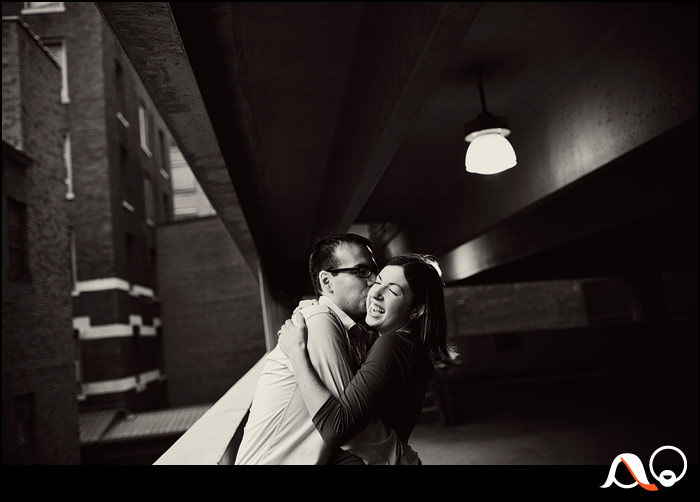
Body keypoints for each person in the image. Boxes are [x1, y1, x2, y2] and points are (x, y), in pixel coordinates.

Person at [234, 234, 415, 464]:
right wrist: (405, 459)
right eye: (361, 271)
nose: (373, 281)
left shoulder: (353, 332)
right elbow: (350, 429)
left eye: (374, 271)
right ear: (327, 282)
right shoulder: (318, 321)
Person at [278, 253, 453, 457]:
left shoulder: (394, 345)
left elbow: (336, 429)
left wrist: (296, 352)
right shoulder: (406, 346)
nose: (376, 293)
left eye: (392, 291)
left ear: (417, 310)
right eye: (378, 282)